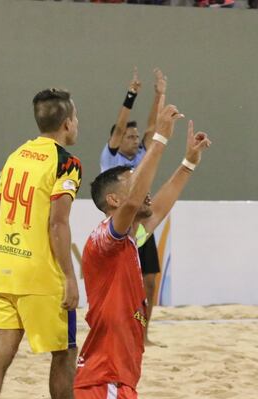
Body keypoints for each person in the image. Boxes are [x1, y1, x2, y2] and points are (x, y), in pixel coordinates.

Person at [3, 97, 212, 399]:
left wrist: (188, 163)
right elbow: (137, 200)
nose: (145, 192)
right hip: (105, 380)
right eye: (135, 183)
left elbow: (157, 209)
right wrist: (159, 139)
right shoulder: (106, 241)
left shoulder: (131, 239)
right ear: (115, 201)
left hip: (123, 382)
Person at [0, 89, 83, 399]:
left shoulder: (15, 156)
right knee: (64, 354)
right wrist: (69, 276)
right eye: (76, 118)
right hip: (40, 275)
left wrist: (11, 251)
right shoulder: (66, 163)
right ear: (67, 124)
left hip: (5, 267)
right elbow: (58, 224)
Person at [101, 68, 166, 345]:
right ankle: (113, 332)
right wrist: (132, 95)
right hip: (119, 229)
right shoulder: (111, 156)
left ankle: (143, 335)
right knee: (118, 284)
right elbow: (119, 127)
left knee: (149, 280)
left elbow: (153, 128)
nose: (135, 139)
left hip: (139, 229)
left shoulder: (141, 154)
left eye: (135, 136)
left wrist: (159, 94)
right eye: (130, 136)